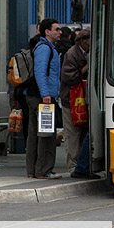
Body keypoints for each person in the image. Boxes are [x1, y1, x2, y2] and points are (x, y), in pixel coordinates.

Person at [25, 18, 62, 180]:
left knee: (35, 133)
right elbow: (40, 72)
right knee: (46, 134)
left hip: (37, 95)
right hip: (43, 97)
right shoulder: (45, 48)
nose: (59, 32)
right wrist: (46, 94)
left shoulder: (44, 47)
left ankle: (34, 169)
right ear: (47, 31)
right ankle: (43, 169)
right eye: (56, 29)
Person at [60, 29, 90, 172]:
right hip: (71, 100)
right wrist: (85, 68)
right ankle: (73, 165)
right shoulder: (71, 54)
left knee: (83, 131)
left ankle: (82, 163)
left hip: (84, 99)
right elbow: (68, 77)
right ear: (83, 41)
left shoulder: (89, 53)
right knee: (72, 133)